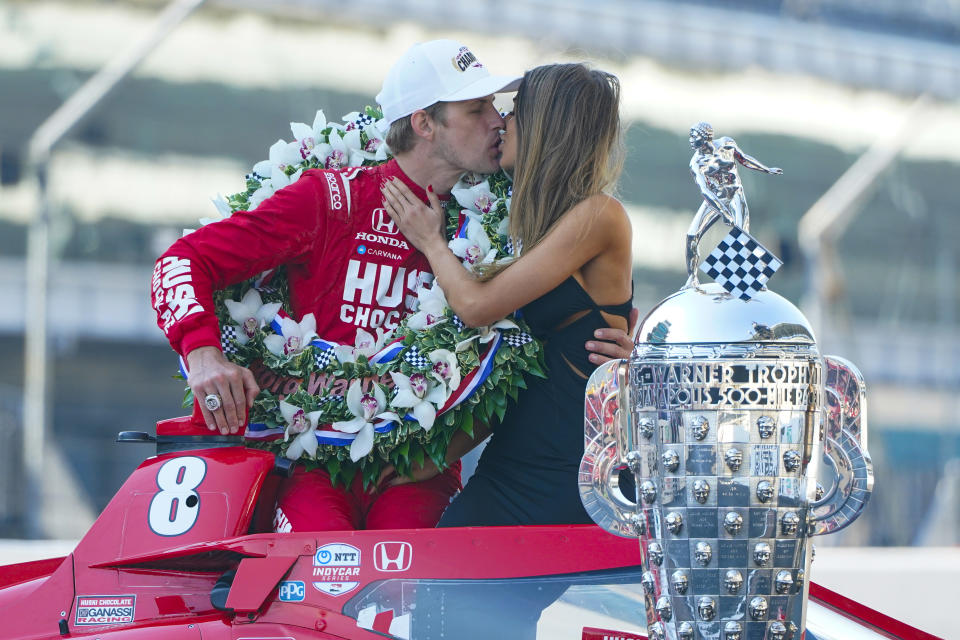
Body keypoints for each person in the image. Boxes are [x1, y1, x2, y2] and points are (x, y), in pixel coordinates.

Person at [151, 40, 634, 533]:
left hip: (423, 468)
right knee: (323, 573)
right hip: (315, 459)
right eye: (477, 108)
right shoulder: (330, 197)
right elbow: (183, 259)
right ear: (424, 123)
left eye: (497, 105)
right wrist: (202, 352)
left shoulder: (512, 220)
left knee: (420, 596)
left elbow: (539, 337)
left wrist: (627, 344)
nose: (498, 120)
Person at [383, 61, 633, 639]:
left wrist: (430, 240)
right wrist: (435, 456)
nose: (501, 122)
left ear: (548, 126)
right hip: (516, 458)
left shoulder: (597, 216)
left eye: (515, 112)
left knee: (464, 610)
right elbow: (523, 371)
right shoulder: (536, 219)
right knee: (452, 613)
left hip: (556, 473)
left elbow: (477, 307)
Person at [684, 121, 782, 286]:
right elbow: (705, 192)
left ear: (704, 136)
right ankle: (692, 278)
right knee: (692, 236)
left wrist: (766, 169)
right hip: (714, 200)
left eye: (694, 135)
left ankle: (755, 279)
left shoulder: (726, 144)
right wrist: (723, 212)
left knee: (741, 235)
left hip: (735, 194)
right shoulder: (696, 163)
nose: (691, 139)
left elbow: (744, 159)